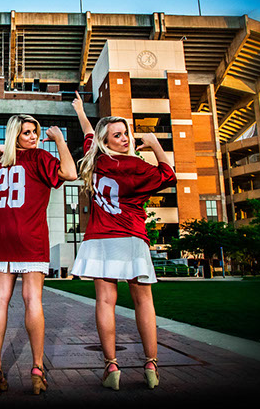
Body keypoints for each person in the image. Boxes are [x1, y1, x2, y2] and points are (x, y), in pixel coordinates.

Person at [70, 92, 177, 390]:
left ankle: (111, 367)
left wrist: (80, 109)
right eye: (118, 135)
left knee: (105, 301)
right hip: (130, 236)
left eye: (126, 133)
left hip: (100, 239)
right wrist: (155, 145)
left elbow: (89, 133)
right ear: (108, 141)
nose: (125, 138)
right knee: (144, 302)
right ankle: (151, 365)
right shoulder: (136, 167)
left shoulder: (97, 159)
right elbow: (169, 176)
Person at [0, 114, 77, 395]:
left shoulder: (2, 163)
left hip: (4, 237)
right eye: (27, 133)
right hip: (31, 236)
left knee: (0, 297)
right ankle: (36, 369)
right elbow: (70, 173)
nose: (33, 137)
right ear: (16, 136)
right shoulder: (39, 158)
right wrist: (59, 140)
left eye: (34, 132)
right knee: (32, 298)